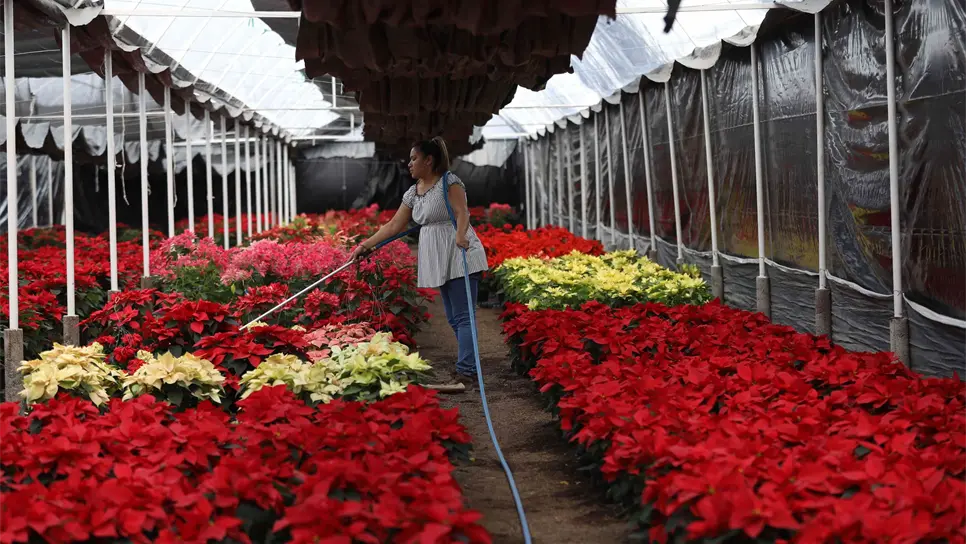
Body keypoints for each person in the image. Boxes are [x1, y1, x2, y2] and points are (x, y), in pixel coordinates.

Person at [349, 137, 489, 389]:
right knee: (454, 318)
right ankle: (470, 366)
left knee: (463, 316)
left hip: (459, 251)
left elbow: (462, 212)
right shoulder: (413, 192)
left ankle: (466, 371)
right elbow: (393, 225)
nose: (409, 163)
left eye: (414, 158)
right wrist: (365, 245)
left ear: (429, 160)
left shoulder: (450, 182)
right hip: (437, 254)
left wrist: (459, 235)